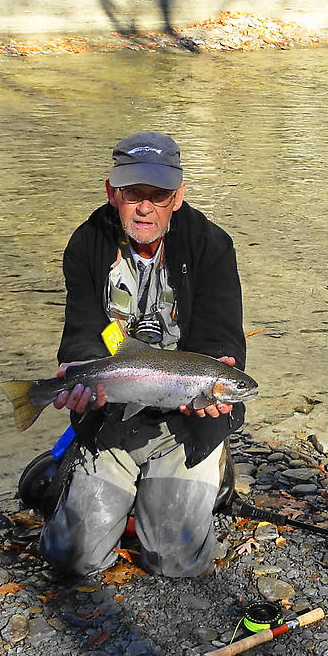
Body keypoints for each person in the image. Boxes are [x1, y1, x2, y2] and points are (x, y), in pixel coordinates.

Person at [37, 131, 246, 578]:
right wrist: (76, 371)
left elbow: (221, 342)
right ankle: (109, 485)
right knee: (72, 559)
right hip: (110, 416)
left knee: (175, 561)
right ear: (113, 192)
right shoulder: (87, 243)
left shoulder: (211, 246)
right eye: (134, 194)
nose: (145, 207)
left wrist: (220, 376)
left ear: (179, 195)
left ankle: (213, 474)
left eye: (160, 195)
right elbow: (81, 335)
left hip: (186, 425)